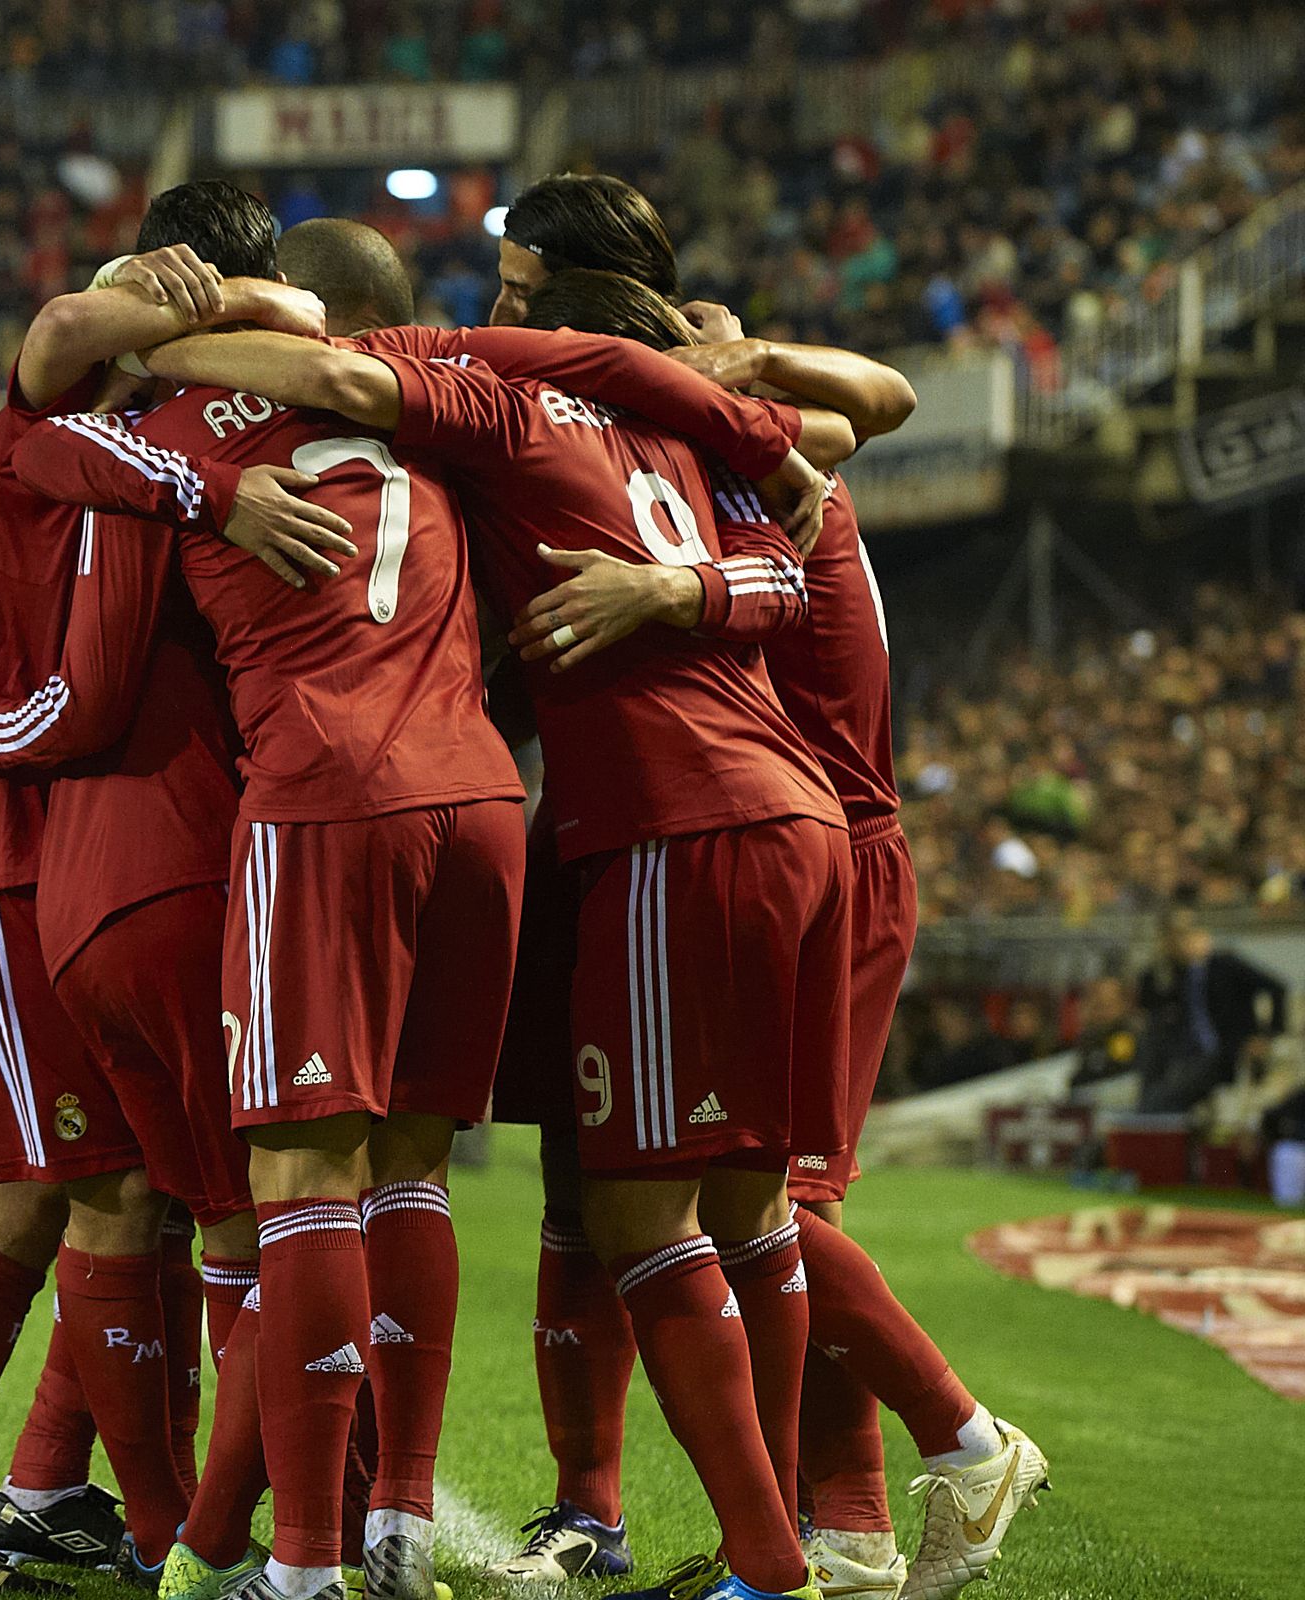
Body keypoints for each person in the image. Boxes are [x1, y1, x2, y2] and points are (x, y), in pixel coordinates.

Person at [141, 268, 850, 1600]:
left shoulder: (484, 417)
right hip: (558, 808)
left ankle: (301, 1562)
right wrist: (740, 476)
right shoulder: (688, 443)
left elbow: (309, 394)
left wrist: (167, 349)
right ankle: (823, 1522)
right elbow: (820, 499)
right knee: (743, 1200)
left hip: (638, 820)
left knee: (323, 1186)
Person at [479, 171, 1049, 1599]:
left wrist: (680, 571)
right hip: (705, 828)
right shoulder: (683, 433)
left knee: (769, 1199)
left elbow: (860, 422)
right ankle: (831, 1530)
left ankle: (953, 1448)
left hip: (798, 837)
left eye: (511, 292)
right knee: (611, 1173)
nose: (495, 313)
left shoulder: (723, 447)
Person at [0, 192, 352, 1597]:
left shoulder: (107, 452)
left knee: (117, 1192)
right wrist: (208, 335)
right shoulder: (75, 443)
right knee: (50, 1193)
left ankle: (60, 1497)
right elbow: (82, 330)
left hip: (31, 843)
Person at [1133, 911, 1288, 1114]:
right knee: (1151, 1051)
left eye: (1184, 935)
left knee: (1166, 1095)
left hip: (1224, 1052)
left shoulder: (1225, 965)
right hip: (1187, 1053)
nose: (1180, 942)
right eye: (1174, 937)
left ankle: (1148, 1118)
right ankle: (1146, 1119)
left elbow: (1277, 987)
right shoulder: (1177, 974)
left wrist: (1266, 1036)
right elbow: (1154, 1006)